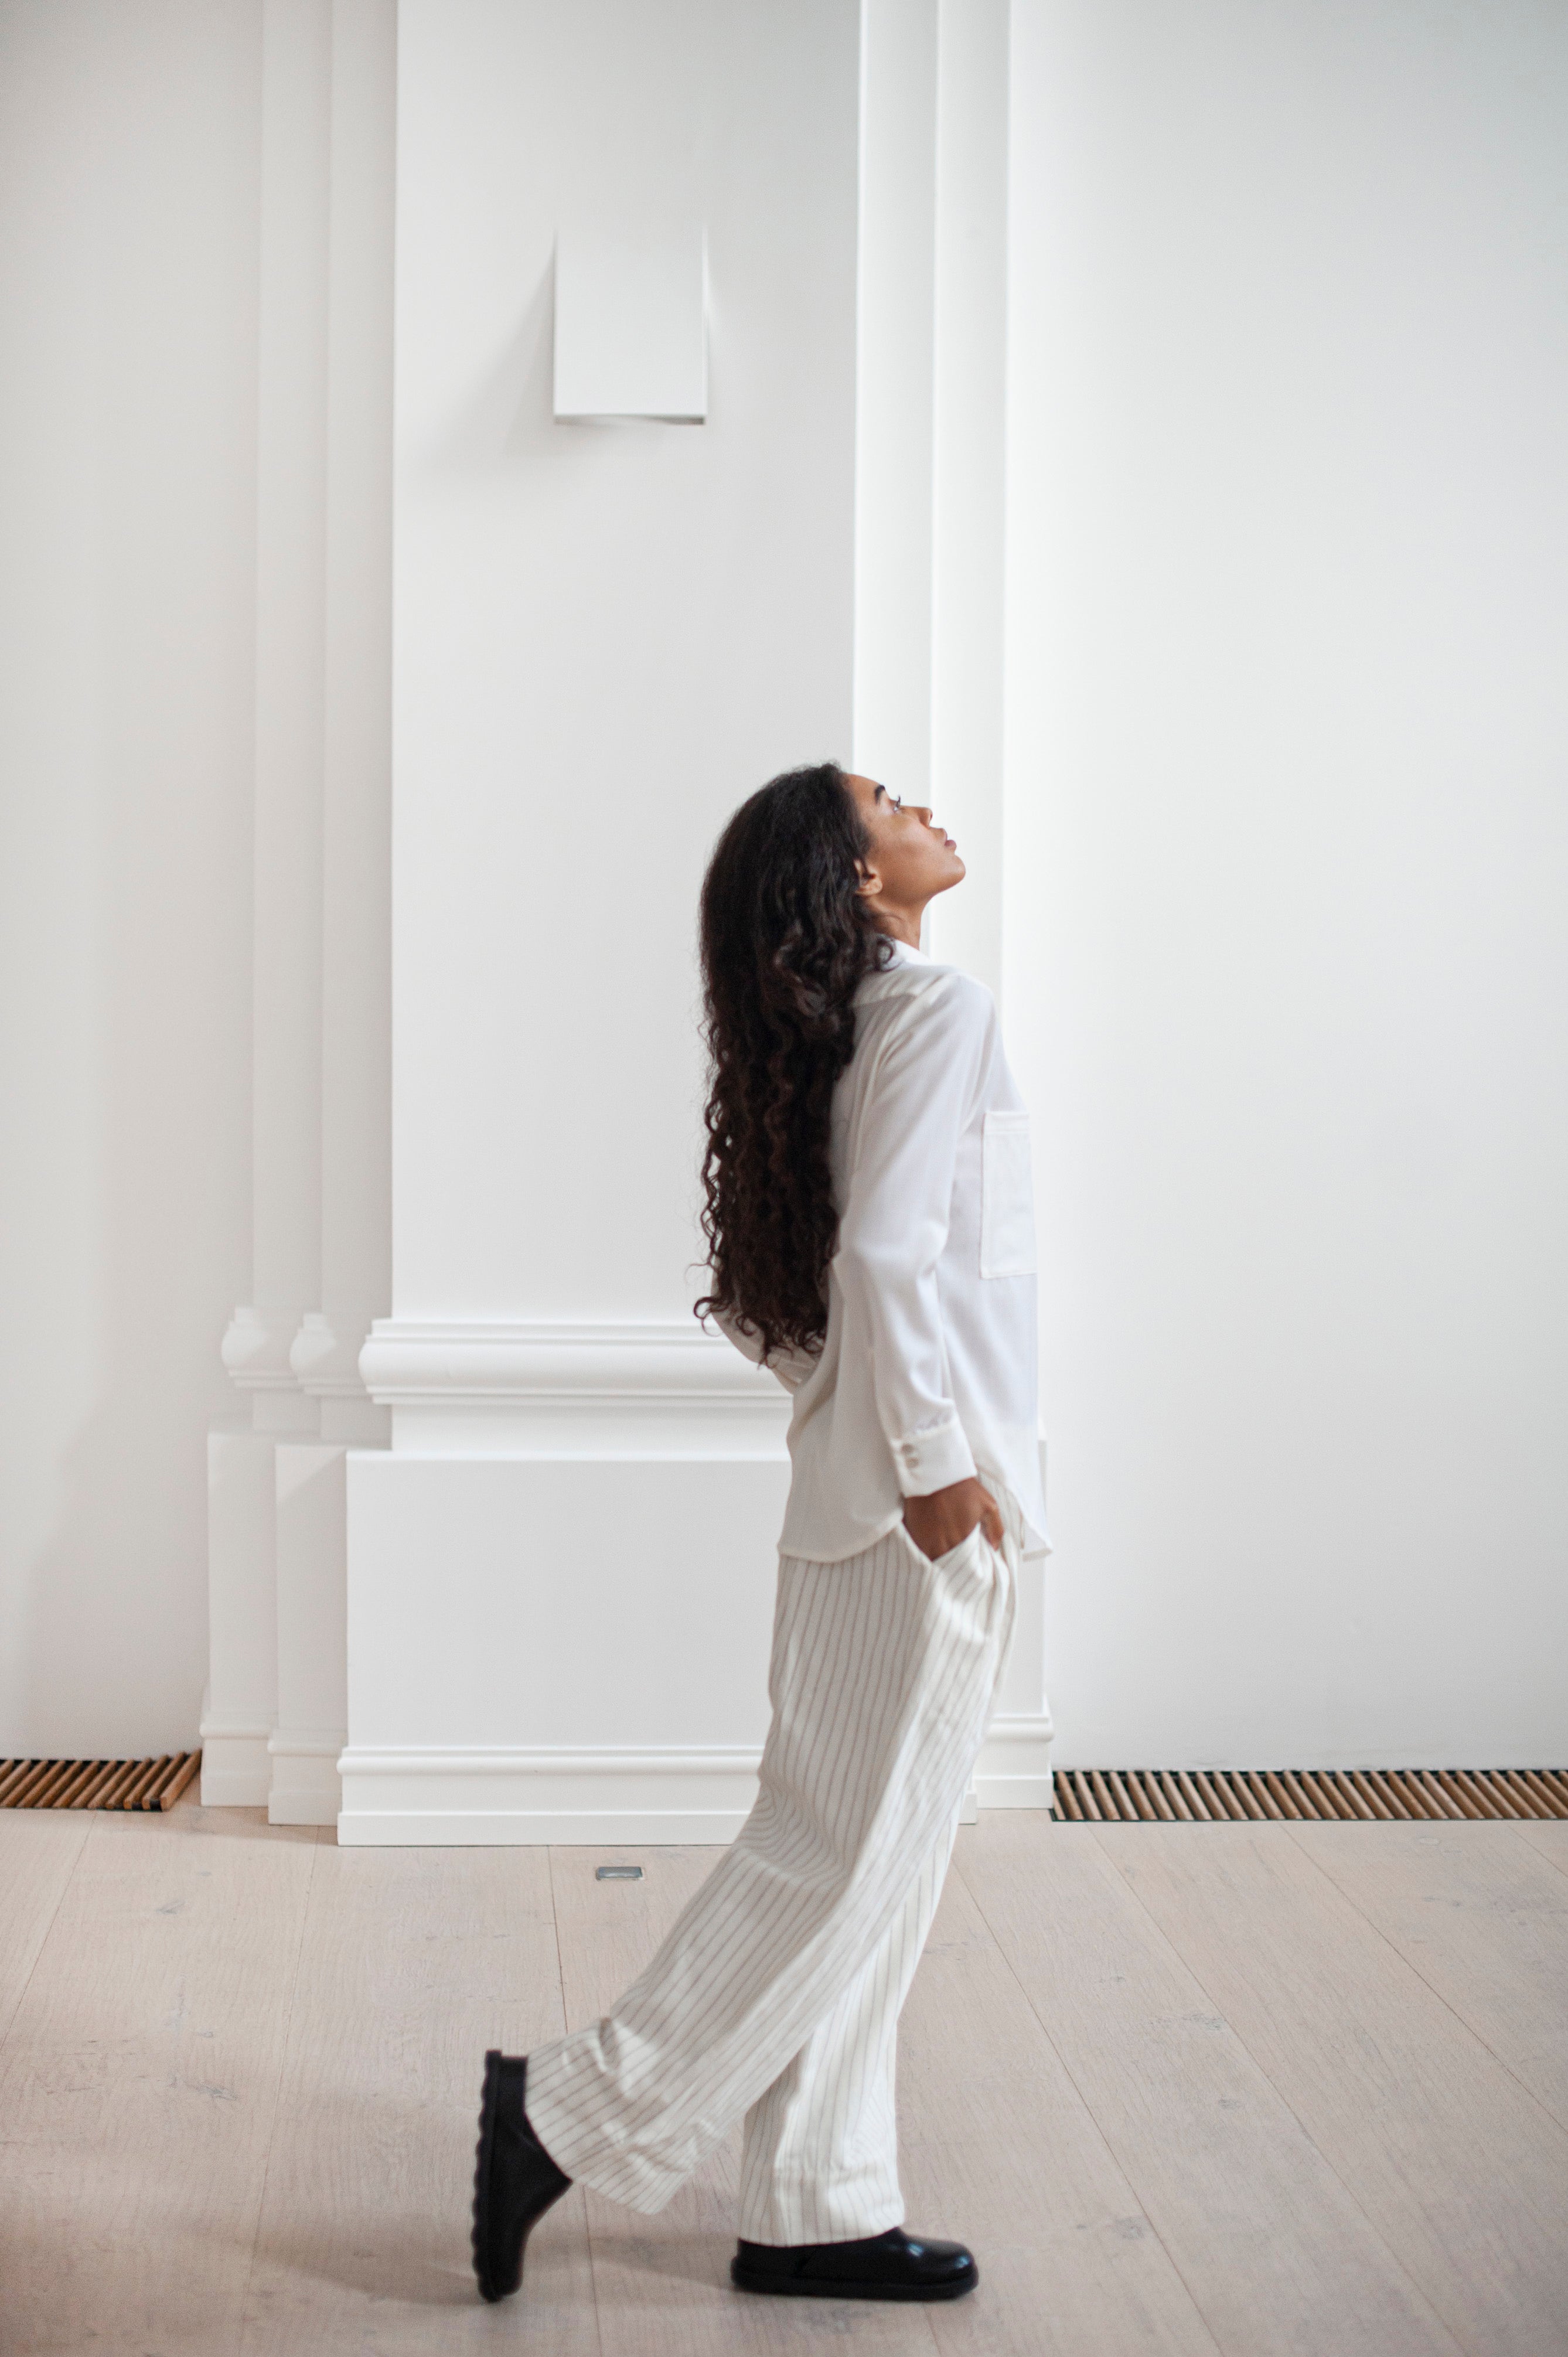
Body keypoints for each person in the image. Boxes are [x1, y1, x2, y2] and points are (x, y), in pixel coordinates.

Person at [470, 761, 1047, 2305]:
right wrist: (931, 1462)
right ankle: (564, 2113)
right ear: (857, 877)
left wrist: (847, 1420)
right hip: (916, 1509)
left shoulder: (836, 1037)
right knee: (840, 1858)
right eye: (890, 800)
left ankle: (816, 2206)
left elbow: (790, 1300)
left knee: (871, 1857)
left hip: (858, 1499)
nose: (925, 807)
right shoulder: (936, 1012)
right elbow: (882, 1262)